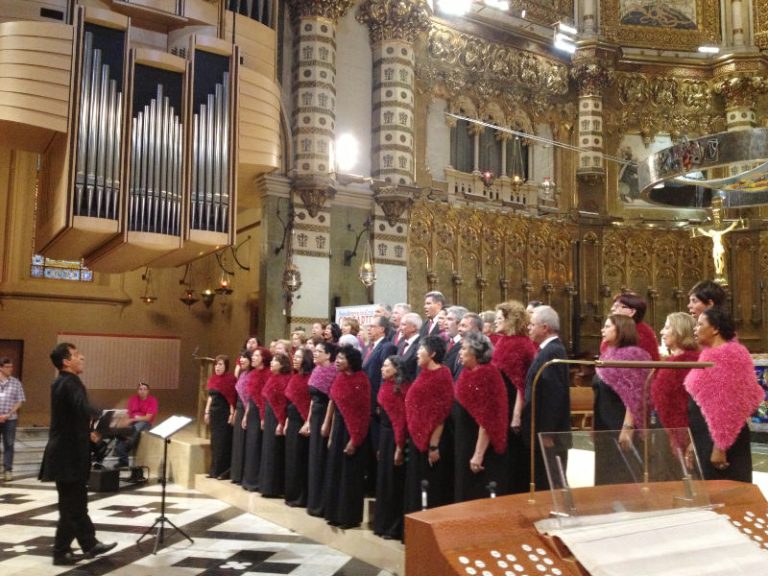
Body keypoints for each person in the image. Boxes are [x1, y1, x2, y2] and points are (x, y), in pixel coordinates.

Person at [39, 343, 116, 566]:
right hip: (67, 456)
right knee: (71, 506)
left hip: (65, 453)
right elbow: (83, 409)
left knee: (77, 503)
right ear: (66, 361)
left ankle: (89, 543)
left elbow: (75, 416)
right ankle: (61, 552)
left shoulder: (63, 382)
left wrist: (90, 429)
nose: (81, 357)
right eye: (76, 355)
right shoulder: (70, 383)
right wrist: (106, 418)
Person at [684, 308, 763, 481]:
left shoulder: (731, 355)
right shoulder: (707, 354)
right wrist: (694, 441)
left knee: (727, 497)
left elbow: (729, 405)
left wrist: (720, 446)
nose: (695, 329)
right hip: (705, 436)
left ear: (715, 329)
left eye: (700, 325)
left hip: (723, 441)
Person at [592, 315, 651, 485]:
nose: (603, 330)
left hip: (620, 423)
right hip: (604, 424)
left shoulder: (634, 355)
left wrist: (628, 427)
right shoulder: (607, 355)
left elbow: (636, 395)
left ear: (621, 330)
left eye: (607, 326)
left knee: (622, 474)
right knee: (605, 474)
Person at [454, 332, 509, 501]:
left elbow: (487, 420)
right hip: (464, 441)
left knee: (475, 492)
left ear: (475, 352)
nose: (459, 352)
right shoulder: (467, 372)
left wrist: (478, 454)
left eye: (464, 349)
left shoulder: (487, 374)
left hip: (479, 447)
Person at [522, 305, 571, 490]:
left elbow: (553, 395)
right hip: (541, 430)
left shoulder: (553, 352)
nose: (529, 328)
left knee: (550, 481)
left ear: (545, 327)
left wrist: (548, 432)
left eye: (532, 324)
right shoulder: (547, 350)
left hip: (548, 433)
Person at [322, 345, 371, 529]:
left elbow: (363, 413)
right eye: (337, 358)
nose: (337, 361)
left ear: (351, 361)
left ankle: (348, 517)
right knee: (335, 472)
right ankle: (333, 513)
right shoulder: (339, 378)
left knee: (349, 475)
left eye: (341, 358)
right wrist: (330, 430)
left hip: (354, 431)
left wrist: (355, 439)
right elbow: (334, 405)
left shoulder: (362, 380)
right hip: (339, 428)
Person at [404, 336, 454, 513]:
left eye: (421, 349)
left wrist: (433, 445)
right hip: (417, 439)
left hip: (433, 441)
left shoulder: (443, 374)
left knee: (429, 487)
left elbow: (442, 413)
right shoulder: (423, 372)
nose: (417, 352)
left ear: (432, 353)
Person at [492, 300, 537, 493]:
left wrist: (517, 415)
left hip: (513, 404)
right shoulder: (503, 341)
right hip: (502, 402)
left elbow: (521, 383)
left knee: (512, 454)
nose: (496, 322)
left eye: (500, 318)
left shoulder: (521, 344)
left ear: (511, 320)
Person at [374, 355, 410, 540]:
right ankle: (382, 524)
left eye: (386, 365)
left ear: (396, 369)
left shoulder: (399, 389)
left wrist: (398, 447)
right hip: (385, 437)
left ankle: (392, 527)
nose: (382, 368)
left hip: (395, 439)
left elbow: (400, 421)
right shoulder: (385, 386)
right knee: (383, 482)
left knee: (393, 483)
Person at [652, 313, 699, 448]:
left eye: (667, 328)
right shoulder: (673, 361)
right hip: (665, 427)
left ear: (680, 331)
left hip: (683, 430)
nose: (661, 332)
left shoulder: (690, 362)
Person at [301, 341, 337, 516]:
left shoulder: (332, 372)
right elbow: (312, 400)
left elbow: (332, 400)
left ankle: (322, 504)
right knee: (313, 458)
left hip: (325, 416)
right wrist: (308, 421)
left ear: (329, 355)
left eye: (319, 351)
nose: (315, 354)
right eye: (314, 351)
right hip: (315, 415)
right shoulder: (316, 370)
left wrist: (326, 423)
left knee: (322, 459)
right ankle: (313, 502)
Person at [260, 352, 293, 497]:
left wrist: (281, 422)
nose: (272, 363)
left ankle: (274, 488)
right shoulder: (272, 378)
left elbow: (282, 404)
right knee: (268, 451)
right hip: (269, 417)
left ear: (283, 364)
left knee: (275, 452)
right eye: (272, 360)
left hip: (276, 418)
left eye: (276, 361)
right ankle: (266, 486)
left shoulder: (284, 379)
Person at [284, 346, 313, 507]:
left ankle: (300, 496)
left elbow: (310, 404)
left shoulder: (309, 378)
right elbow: (290, 401)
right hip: (293, 419)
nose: (294, 359)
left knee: (299, 460)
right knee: (291, 460)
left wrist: (307, 422)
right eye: (294, 356)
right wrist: (287, 420)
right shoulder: (295, 377)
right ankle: (291, 494)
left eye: (299, 357)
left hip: (302, 423)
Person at [241, 347, 272, 491]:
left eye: (256, 356)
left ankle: (256, 481)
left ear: (264, 358)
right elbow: (250, 397)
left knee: (257, 445)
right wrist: (246, 415)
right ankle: (249, 479)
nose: (253, 358)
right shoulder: (253, 373)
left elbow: (264, 398)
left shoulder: (267, 374)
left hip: (261, 412)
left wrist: (262, 418)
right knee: (250, 446)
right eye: (253, 356)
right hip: (252, 410)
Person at [204, 355, 237, 479]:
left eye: (221, 364)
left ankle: (223, 472)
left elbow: (231, 399)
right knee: (215, 443)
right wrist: (207, 412)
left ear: (226, 366)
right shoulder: (213, 379)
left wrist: (231, 414)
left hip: (224, 414)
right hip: (214, 414)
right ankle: (214, 471)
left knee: (223, 443)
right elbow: (211, 397)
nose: (217, 367)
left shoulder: (230, 379)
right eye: (216, 364)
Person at [114, 381, 157, 469]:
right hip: (132, 422)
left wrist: (133, 419)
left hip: (145, 423)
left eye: (145, 389)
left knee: (137, 427)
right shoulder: (132, 399)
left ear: (148, 391)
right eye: (140, 389)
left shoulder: (152, 401)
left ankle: (127, 444)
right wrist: (124, 423)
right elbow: (128, 414)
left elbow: (147, 418)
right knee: (120, 430)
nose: (142, 391)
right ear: (137, 391)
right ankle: (123, 459)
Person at [608, 292, 660, 360]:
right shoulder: (619, 329)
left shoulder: (641, 333)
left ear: (632, 312)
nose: (612, 309)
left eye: (617, 306)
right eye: (613, 306)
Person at [0, 357, 26, 480]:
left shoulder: (16, 382)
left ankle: (8, 469)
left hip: (10, 418)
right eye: (7, 367)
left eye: (11, 367)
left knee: (9, 444)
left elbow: (20, 401)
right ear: (1, 367)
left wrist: (8, 414)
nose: (10, 369)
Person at [230, 352, 252, 484]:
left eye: (245, 358)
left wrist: (245, 414)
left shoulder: (251, 375)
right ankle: (236, 474)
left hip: (246, 410)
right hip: (239, 407)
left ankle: (242, 474)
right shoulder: (243, 374)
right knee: (237, 441)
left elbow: (249, 397)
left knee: (244, 442)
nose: (242, 360)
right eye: (241, 358)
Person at [398, 312, 422, 382]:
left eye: (403, 325)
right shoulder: (401, 345)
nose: (400, 328)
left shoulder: (421, 345)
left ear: (414, 327)